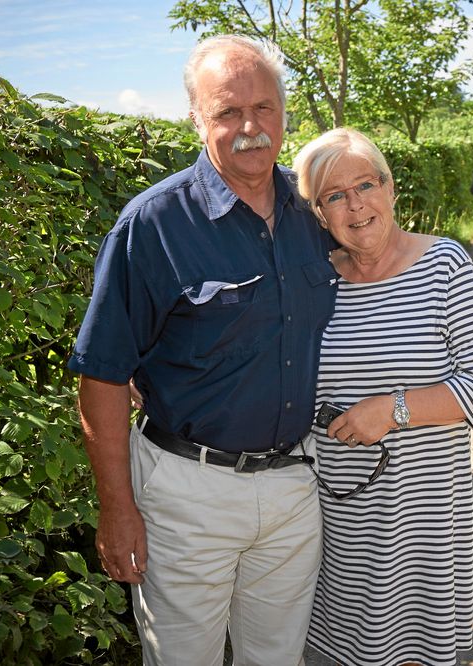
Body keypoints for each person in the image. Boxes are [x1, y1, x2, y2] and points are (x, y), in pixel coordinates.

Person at [67, 35, 336, 666]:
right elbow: (103, 376)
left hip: (295, 489)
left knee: (276, 658)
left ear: (285, 113)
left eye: (265, 108)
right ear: (196, 118)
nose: (250, 127)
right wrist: (117, 510)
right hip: (189, 496)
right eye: (227, 112)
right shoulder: (153, 224)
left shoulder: (310, 217)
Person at [292, 128, 473, 666]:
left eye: (365, 184)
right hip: (332, 522)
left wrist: (392, 410)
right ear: (318, 213)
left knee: (413, 650)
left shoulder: (445, 267)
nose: (355, 204)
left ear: (391, 188)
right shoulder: (316, 282)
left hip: (423, 521)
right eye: (334, 195)